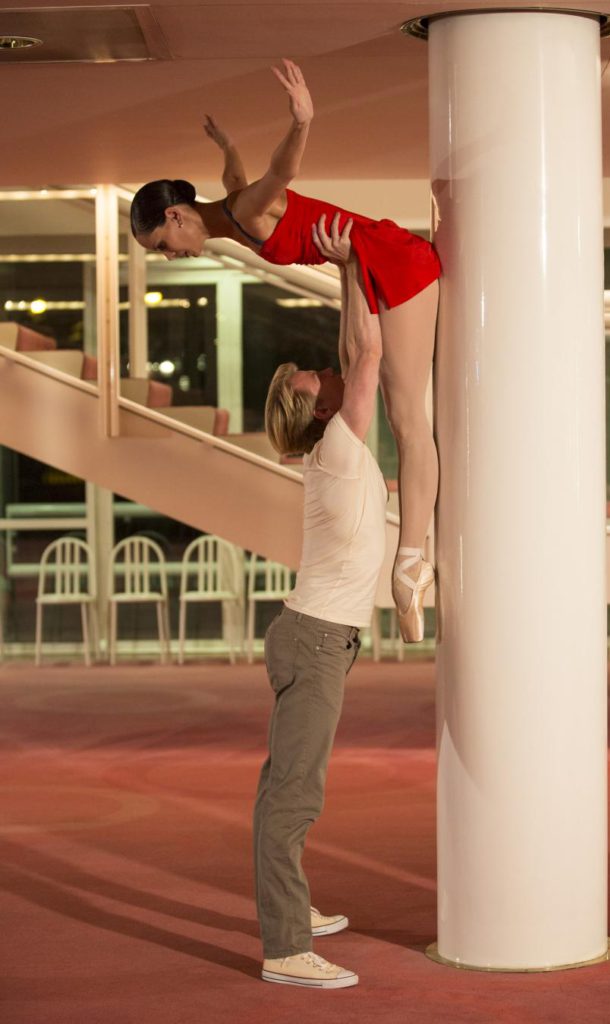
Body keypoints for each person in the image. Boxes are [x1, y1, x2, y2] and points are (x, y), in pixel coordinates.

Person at [130, 59, 439, 642]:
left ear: (174, 215)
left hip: (385, 262)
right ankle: (412, 563)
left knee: (406, 420)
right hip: (366, 262)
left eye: (163, 244)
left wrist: (302, 121)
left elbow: (280, 171)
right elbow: (242, 174)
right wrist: (225, 145)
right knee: (366, 382)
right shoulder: (233, 206)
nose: (171, 255)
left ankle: (411, 563)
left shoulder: (246, 212)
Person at [253, 214, 385, 989]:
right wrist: (350, 260)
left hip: (315, 635)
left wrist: (344, 270)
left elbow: (353, 354)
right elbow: (364, 351)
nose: (324, 373)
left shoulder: (334, 449)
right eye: (314, 381)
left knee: (289, 785)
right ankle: (283, 948)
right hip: (314, 639)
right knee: (292, 796)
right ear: (319, 412)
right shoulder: (338, 451)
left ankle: (290, 914)